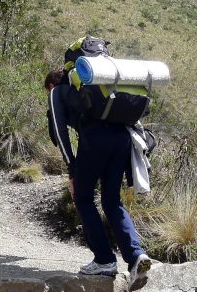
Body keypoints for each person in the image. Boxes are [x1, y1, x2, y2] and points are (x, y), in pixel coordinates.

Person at [45, 69, 152, 283]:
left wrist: (72, 170)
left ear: (50, 86)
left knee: (83, 198)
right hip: (122, 139)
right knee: (112, 201)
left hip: (95, 139)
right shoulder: (94, 87)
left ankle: (104, 260)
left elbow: (59, 132)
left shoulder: (57, 92)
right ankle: (136, 256)